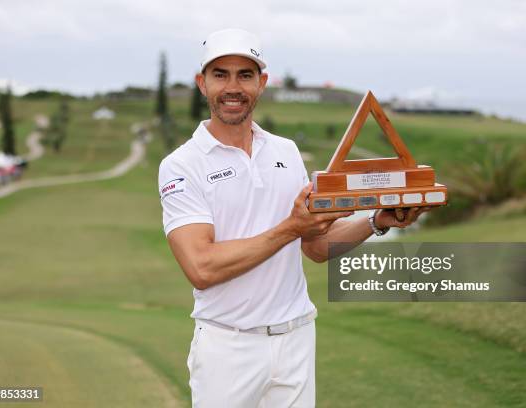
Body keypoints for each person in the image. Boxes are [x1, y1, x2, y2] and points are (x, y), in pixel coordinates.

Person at [158, 28, 428, 408]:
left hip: (297, 337)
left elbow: (316, 245)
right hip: (228, 346)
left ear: (262, 83)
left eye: (245, 75)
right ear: (202, 83)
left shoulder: (285, 151)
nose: (233, 87)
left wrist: (376, 222)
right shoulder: (181, 166)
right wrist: (290, 228)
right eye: (221, 74)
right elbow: (201, 267)